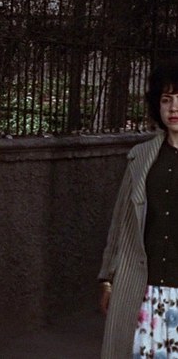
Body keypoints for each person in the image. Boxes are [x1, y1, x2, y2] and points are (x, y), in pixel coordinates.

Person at [99, 58, 178, 358]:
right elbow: (121, 222)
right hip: (143, 291)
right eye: (166, 99)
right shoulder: (140, 158)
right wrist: (108, 279)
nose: (173, 107)